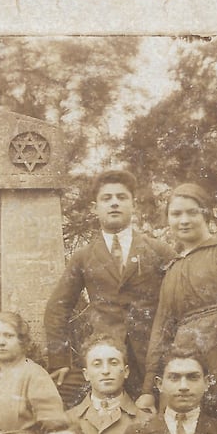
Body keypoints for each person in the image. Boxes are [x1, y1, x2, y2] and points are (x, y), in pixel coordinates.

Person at [44, 170, 175, 409]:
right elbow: (57, 308)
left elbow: (180, 299)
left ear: (133, 205)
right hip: (106, 357)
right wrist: (60, 360)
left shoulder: (159, 251)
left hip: (152, 356)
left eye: (121, 197)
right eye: (107, 198)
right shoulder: (84, 257)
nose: (114, 202)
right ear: (95, 208)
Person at [143, 182, 217, 433]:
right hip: (190, 367)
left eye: (191, 212)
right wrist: (147, 390)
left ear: (205, 213)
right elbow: (160, 332)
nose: (183, 220)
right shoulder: (172, 269)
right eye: (176, 214)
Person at [67, 334, 151, 434]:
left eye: (113, 363)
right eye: (97, 364)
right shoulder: (68, 420)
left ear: (125, 372)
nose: (106, 371)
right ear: (86, 374)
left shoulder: (146, 421)